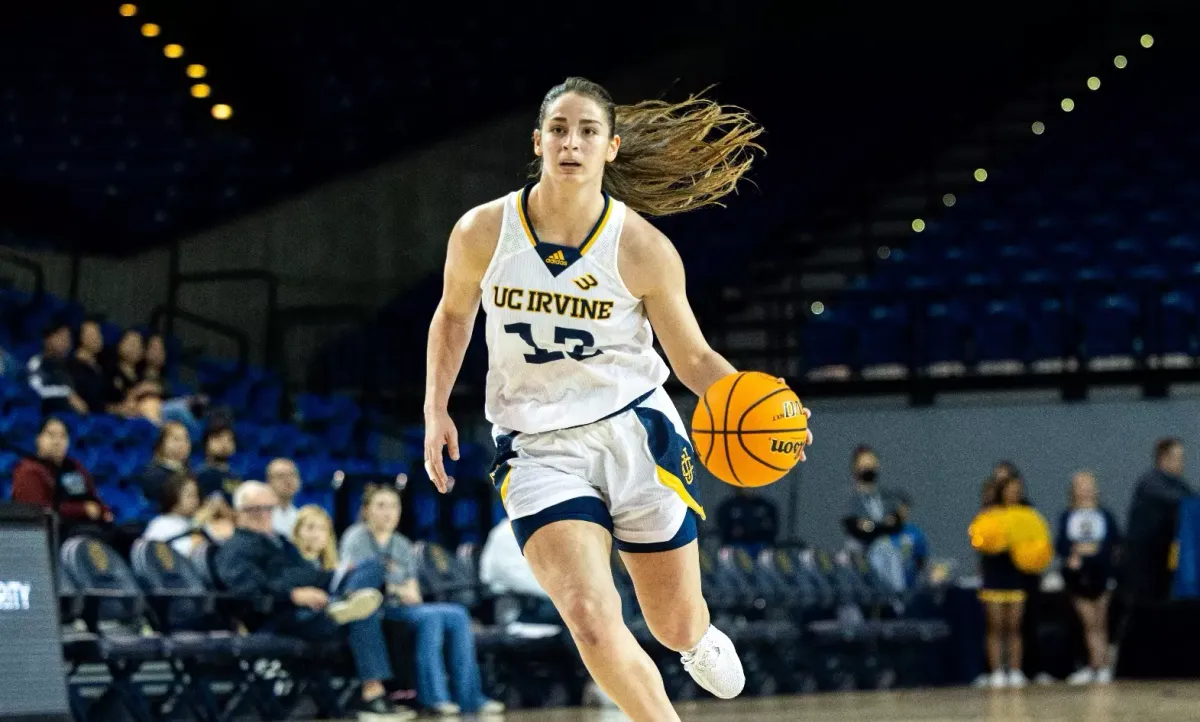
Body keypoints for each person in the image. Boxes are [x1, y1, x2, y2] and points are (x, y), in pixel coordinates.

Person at [422, 76, 812, 722]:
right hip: (538, 449)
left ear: (611, 148)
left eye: (587, 131)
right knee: (591, 617)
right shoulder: (482, 232)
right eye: (558, 129)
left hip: (636, 434)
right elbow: (453, 316)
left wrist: (772, 413)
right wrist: (436, 407)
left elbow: (692, 359)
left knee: (673, 624)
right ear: (538, 141)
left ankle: (696, 639)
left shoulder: (642, 248)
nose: (570, 142)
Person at [215, 482, 413, 721]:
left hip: (319, 601)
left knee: (374, 565)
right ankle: (373, 695)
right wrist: (293, 595)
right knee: (364, 612)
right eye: (257, 509)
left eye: (269, 508)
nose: (265, 515)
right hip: (283, 615)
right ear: (240, 512)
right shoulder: (235, 549)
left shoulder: (279, 541)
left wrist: (338, 575)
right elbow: (249, 593)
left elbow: (307, 573)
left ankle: (346, 599)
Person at [339, 485, 502, 716]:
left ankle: (472, 697)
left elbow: (413, 594)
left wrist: (394, 588)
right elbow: (360, 585)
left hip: (402, 607)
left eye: (394, 506)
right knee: (431, 619)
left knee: (457, 613)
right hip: (373, 610)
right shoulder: (356, 537)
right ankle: (435, 698)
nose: (388, 512)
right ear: (366, 510)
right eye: (381, 506)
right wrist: (395, 587)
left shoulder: (403, 544)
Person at [1056, 470, 1120, 685]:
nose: (1085, 490)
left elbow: (1114, 542)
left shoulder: (1104, 515)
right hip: (1078, 578)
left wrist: (1096, 553)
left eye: (1088, 485)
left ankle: (1102, 666)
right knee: (1088, 623)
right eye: (1080, 485)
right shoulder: (1068, 516)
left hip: (1100, 576)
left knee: (1100, 623)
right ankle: (1093, 664)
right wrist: (1074, 555)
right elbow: (1062, 545)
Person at [12, 417, 113, 537]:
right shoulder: (28, 470)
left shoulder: (74, 466)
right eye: (51, 435)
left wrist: (104, 510)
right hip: (55, 531)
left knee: (129, 533)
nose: (57, 441)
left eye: (62, 436)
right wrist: (82, 510)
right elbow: (38, 511)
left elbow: (93, 497)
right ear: (38, 439)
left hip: (87, 526)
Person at [978, 475, 1034, 689]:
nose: (1013, 494)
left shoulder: (1025, 515)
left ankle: (1015, 669)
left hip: (1015, 575)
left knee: (1014, 627)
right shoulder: (989, 515)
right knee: (995, 627)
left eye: (1017, 490)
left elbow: (1033, 541)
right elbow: (979, 541)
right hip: (994, 574)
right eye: (1009, 490)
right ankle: (997, 671)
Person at [1125, 437, 1193, 605]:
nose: (1182, 462)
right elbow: (1180, 500)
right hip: (1144, 563)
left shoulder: (1179, 484)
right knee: (1145, 609)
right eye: (1178, 457)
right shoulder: (1151, 483)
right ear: (1164, 458)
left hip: (1164, 561)